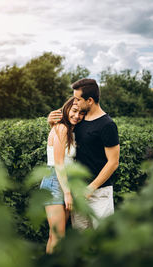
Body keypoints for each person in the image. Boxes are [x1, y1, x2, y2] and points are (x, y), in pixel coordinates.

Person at [48, 78, 120, 230]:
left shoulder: (107, 125)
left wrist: (90, 188)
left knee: (103, 239)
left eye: (78, 99)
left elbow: (113, 162)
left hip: (99, 193)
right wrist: (51, 124)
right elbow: (61, 139)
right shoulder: (79, 120)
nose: (75, 102)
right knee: (81, 241)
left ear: (90, 100)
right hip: (78, 192)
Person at [40, 96, 85, 254]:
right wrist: (67, 193)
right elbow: (59, 164)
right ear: (66, 109)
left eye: (81, 113)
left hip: (63, 181)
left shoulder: (69, 130)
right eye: (74, 111)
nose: (77, 116)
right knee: (58, 238)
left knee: (55, 236)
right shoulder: (62, 128)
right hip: (55, 182)